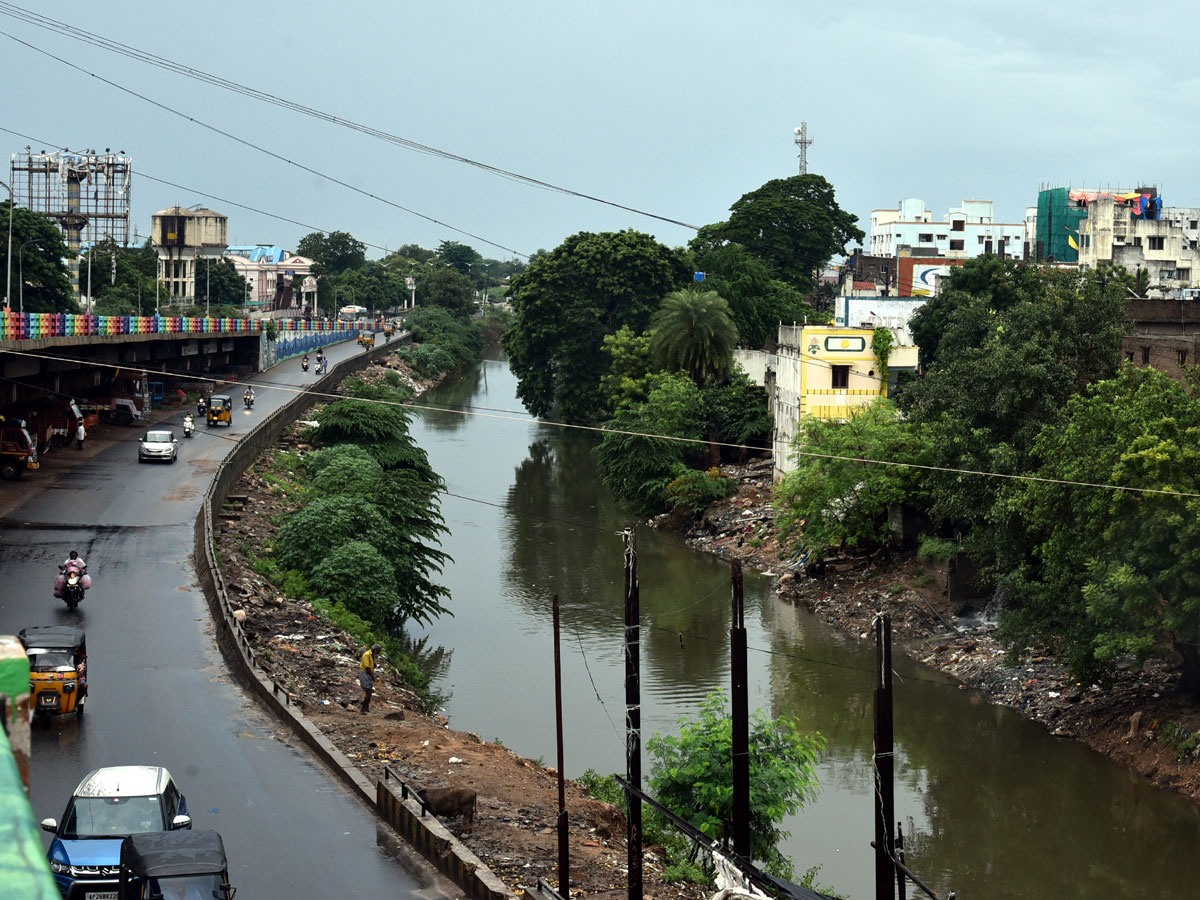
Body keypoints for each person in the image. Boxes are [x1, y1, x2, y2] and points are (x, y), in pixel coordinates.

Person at [358, 643, 382, 714]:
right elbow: (367, 667)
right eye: (378, 651)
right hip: (365, 673)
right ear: (375, 650)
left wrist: (374, 665)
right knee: (369, 691)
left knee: (370, 691)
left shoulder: (372, 655)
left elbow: (371, 666)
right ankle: (363, 709)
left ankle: (366, 707)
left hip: (369, 673)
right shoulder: (367, 655)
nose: (378, 653)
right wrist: (373, 677)